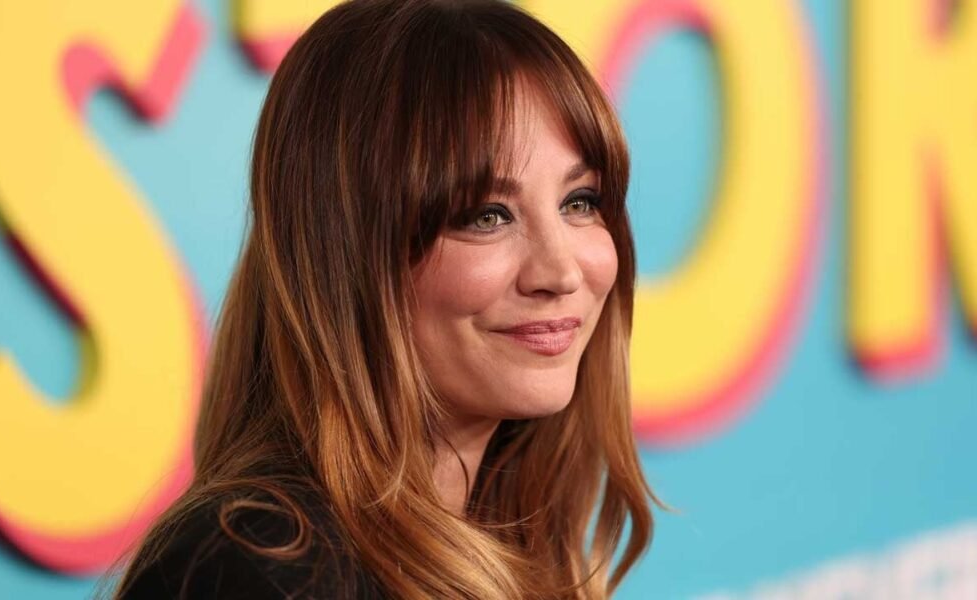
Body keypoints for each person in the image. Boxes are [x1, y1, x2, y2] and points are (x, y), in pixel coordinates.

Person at [111, 0, 657, 597]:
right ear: (344, 256)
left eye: (580, 202)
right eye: (486, 214)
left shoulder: (514, 545)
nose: (561, 272)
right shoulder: (257, 572)